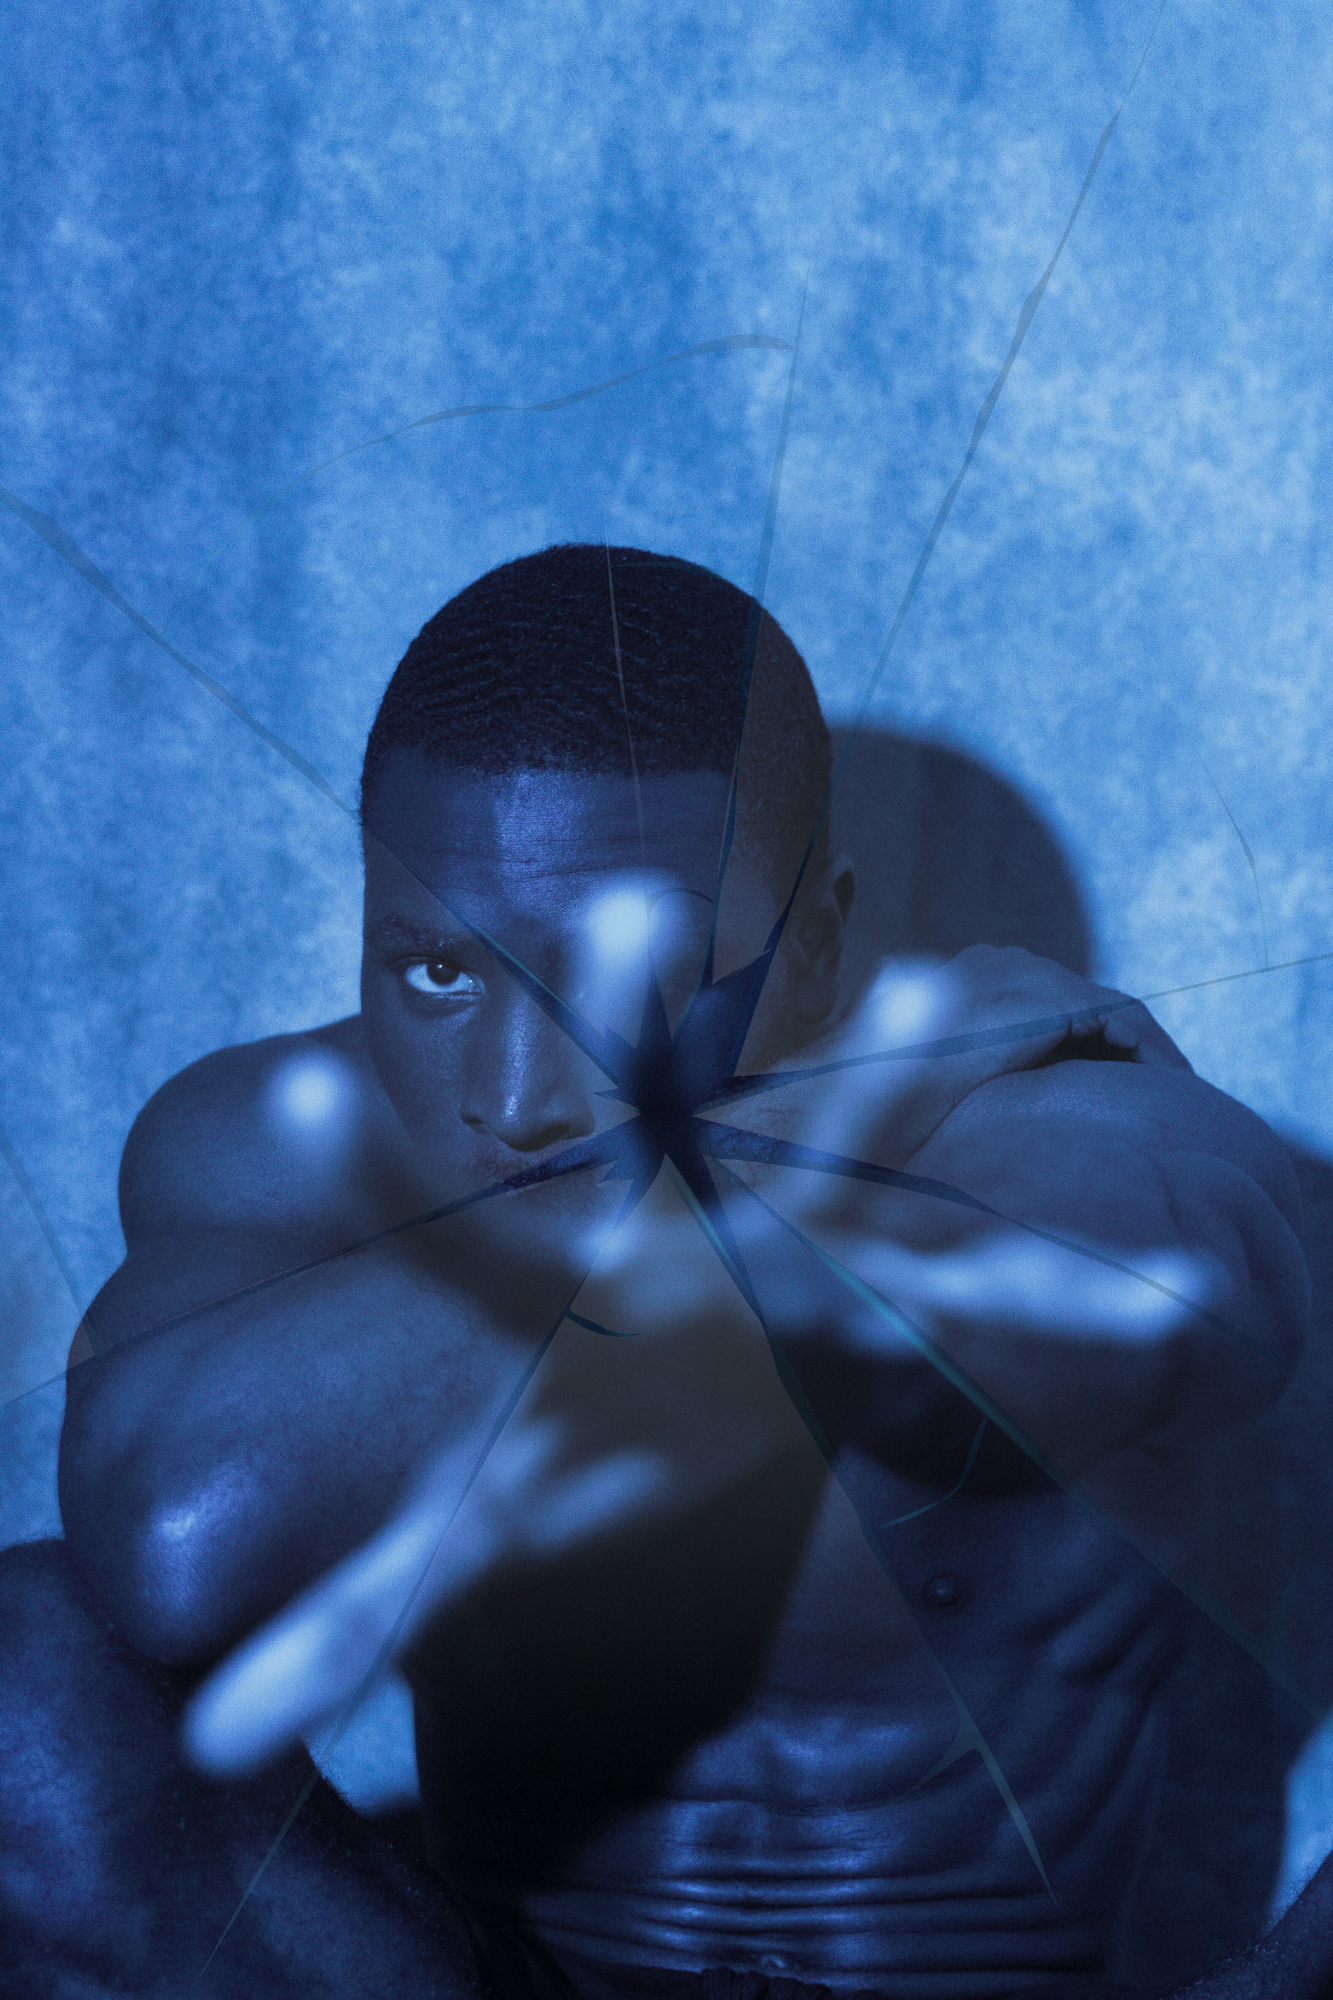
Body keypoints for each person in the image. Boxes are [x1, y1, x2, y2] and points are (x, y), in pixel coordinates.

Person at [0, 546, 1319, 1998]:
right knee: (29, 1682)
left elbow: (1149, 1325)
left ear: (812, 948)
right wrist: (824, 1112)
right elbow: (174, 1546)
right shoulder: (273, 1152)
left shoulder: (1068, 1125)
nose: (515, 1097)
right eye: (437, 972)